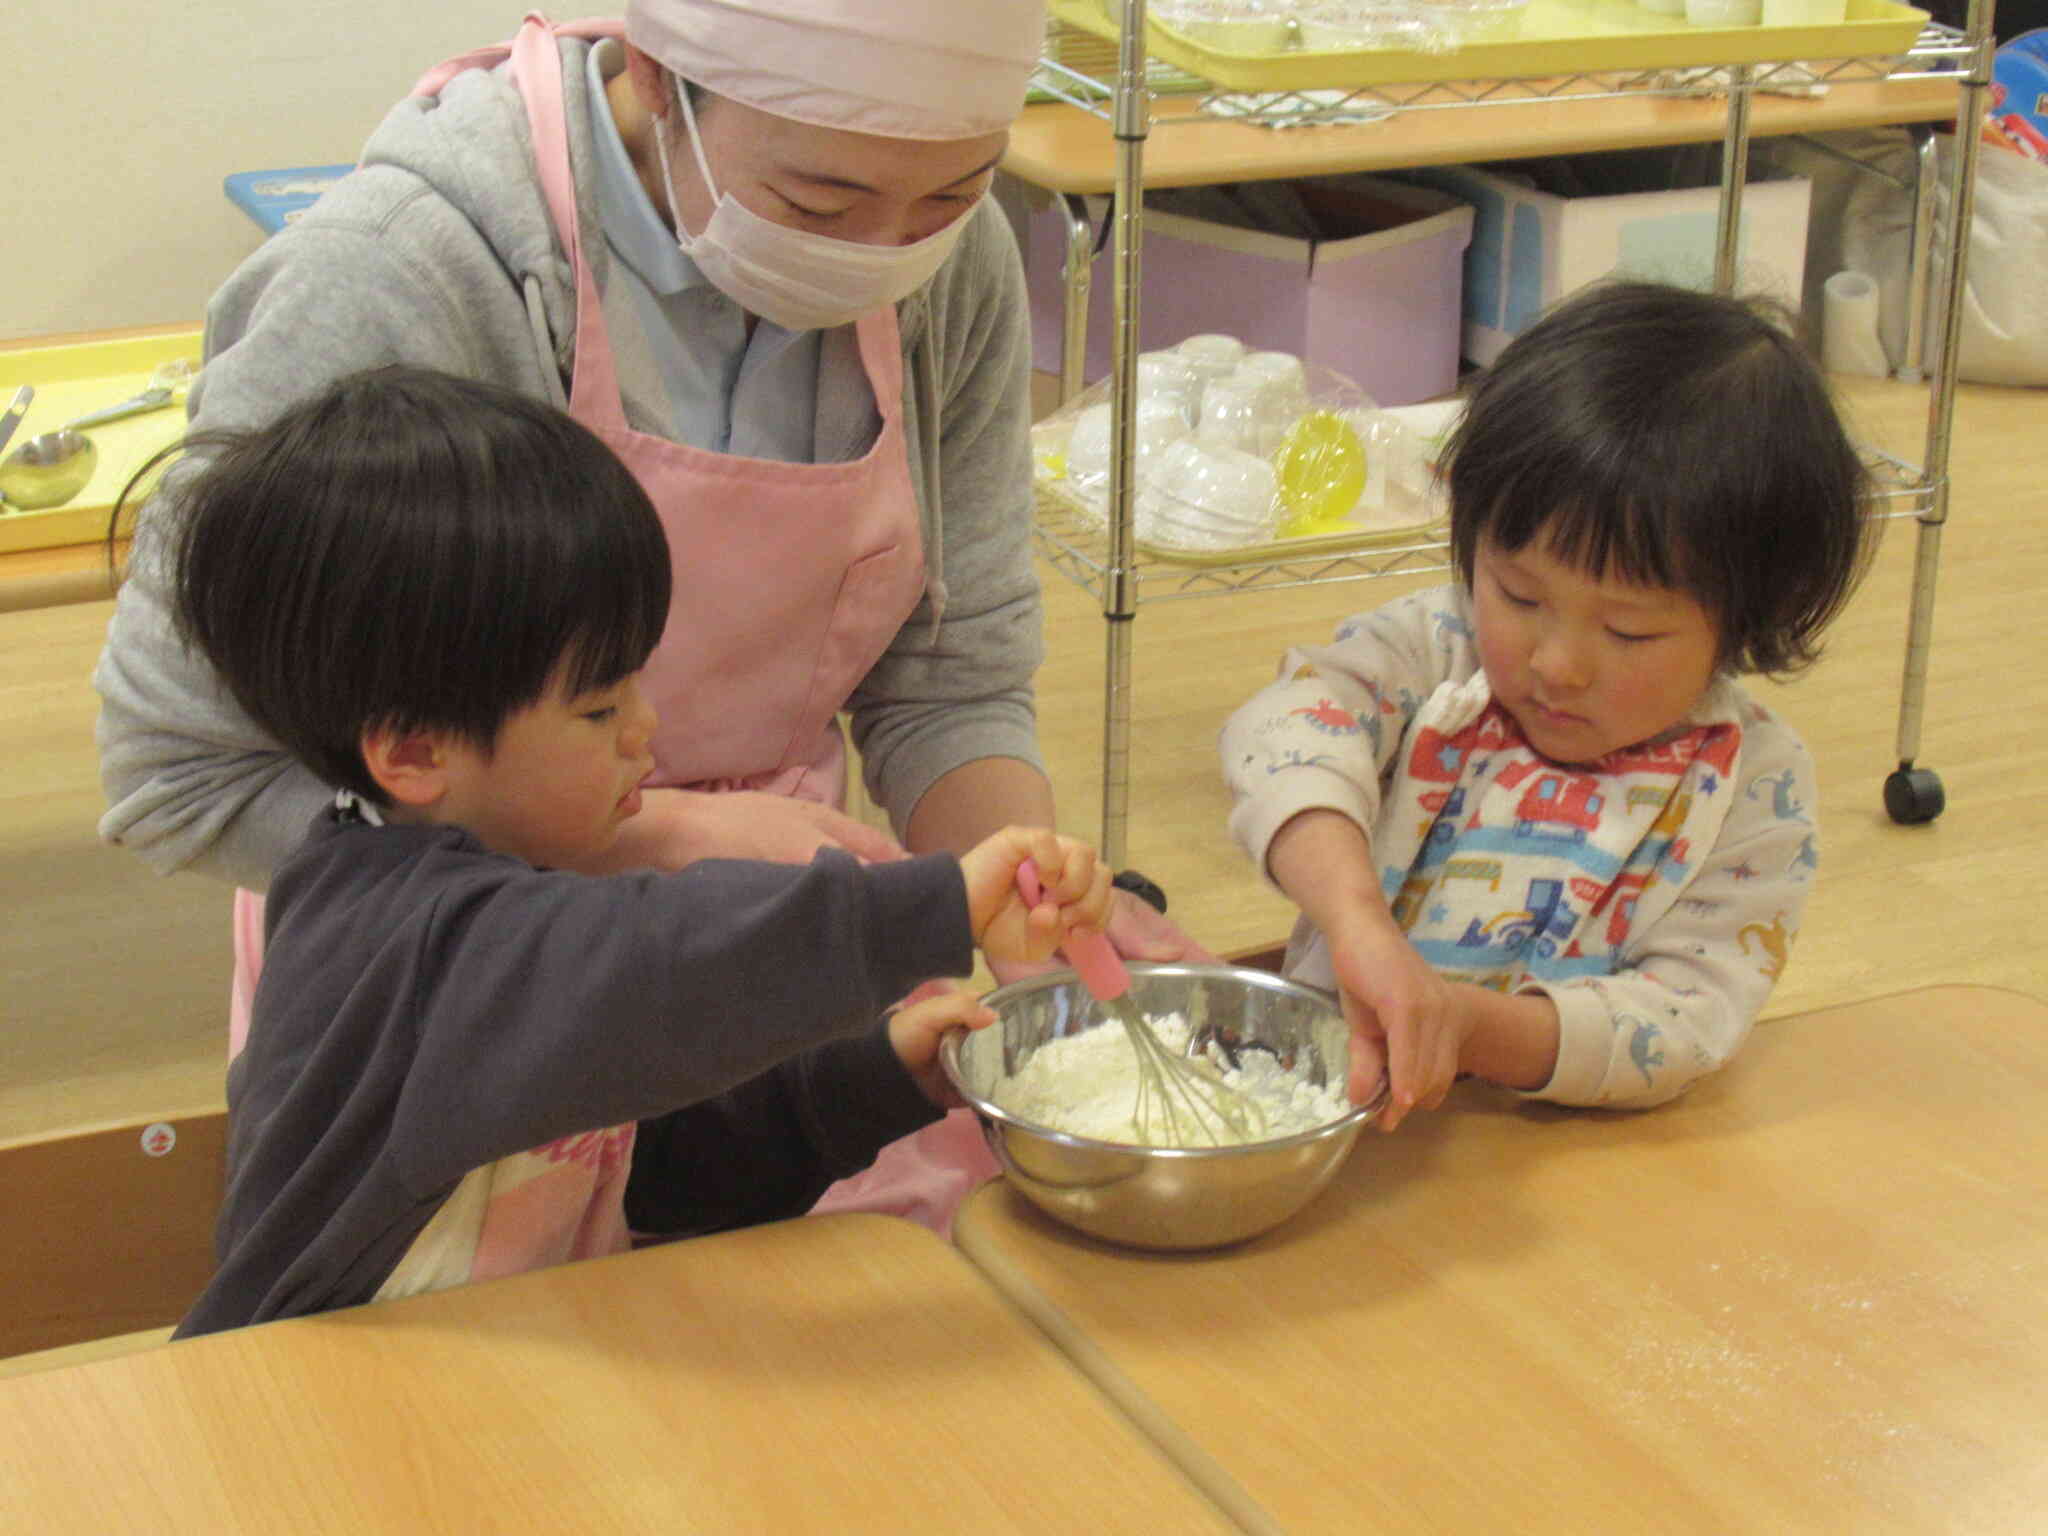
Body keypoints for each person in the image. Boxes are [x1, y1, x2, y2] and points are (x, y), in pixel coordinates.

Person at [92, 0, 1207, 1231]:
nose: (885, 252)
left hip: (784, 932)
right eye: (821, 204)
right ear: (658, 75)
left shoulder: (951, 274)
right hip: (457, 952)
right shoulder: (412, 267)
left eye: (951, 195)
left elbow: (950, 671)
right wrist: (646, 847)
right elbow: (177, 771)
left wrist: (1020, 906)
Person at [142, 366, 1112, 1337]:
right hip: (315, 1406)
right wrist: (931, 905)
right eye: (599, 707)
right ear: (413, 752)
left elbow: (654, 1178)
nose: (645, 731)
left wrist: (869, 1081)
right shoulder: (411, 945)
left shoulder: (512, 904)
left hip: (519, 1380)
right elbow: (660, 969)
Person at [1221, 281, 1873, 1132]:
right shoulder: (1432, 653)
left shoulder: (1751, 786)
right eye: (1519, 596)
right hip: (1336, 1119)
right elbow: (1283, 733)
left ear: (1749, 618)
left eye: (1629, 633)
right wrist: (1354, 920)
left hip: (1563, 1164)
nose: (1557, 666)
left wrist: (1468, 1028)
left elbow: (1678, 1024)